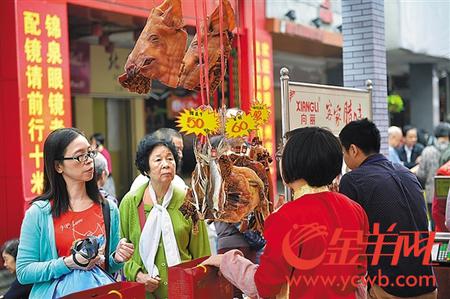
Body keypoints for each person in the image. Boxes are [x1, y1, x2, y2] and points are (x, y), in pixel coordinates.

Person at [203, 127, 369, 298]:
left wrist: (228, 261)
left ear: (293, 161)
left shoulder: (286, 217)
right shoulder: (354, 209)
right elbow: (359, 274)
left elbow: (264, 286)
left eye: (281, 154)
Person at [16, 128, 134, 298]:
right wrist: (69, 263)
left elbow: (108, 266)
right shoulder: (38, 213)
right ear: (58, 166)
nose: (88, 161)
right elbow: (24, 271)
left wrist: (117, 258)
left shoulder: (108, 208)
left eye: (90, 153)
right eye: (80, 156)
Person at [339, 119, 436, 299]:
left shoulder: (352, 180)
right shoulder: (406, 173)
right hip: (427, 284)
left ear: (353, 150)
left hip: (390, 288)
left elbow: (350, 239)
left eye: (343, 152)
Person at [119, 134, 210, 298]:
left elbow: (202, 254)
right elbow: (119, 253)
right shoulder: (131, 203)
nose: (166, 164)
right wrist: (138, 275)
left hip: (184, 293)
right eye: (158, 160)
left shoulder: (189, 201)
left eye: (170, 159)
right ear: (146, 168)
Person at [416, 122, 450, 214]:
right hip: (448, 196)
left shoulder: (427, 151)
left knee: (436, 223)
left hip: (432, 196)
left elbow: (421, 175)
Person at [90, 133, 116, 197]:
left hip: (106, 180)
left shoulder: (102, 154)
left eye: (92, 142)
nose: (91, 144)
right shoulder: (99, 152)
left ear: (97, 143)